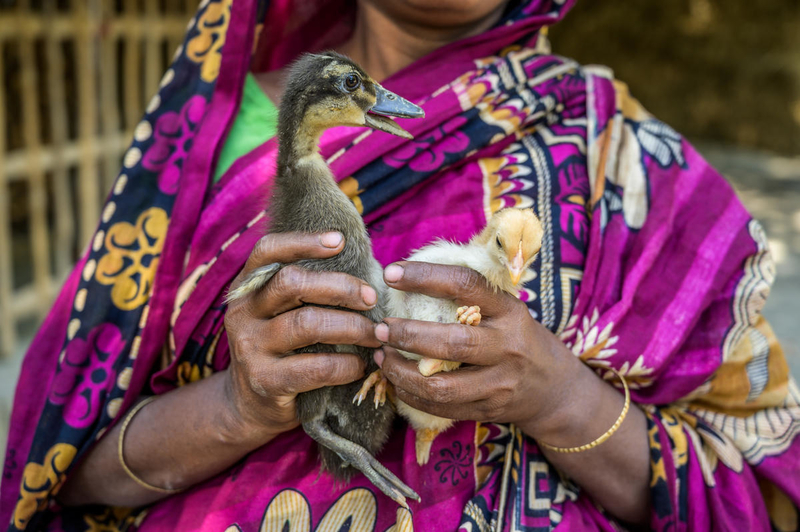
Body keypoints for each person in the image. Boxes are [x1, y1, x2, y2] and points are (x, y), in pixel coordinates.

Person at [2, 0, 799, 530]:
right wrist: (241, 406)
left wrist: (557, 396)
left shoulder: (616, 153)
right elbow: (66, 469)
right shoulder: (196, 138)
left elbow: (753, 478)